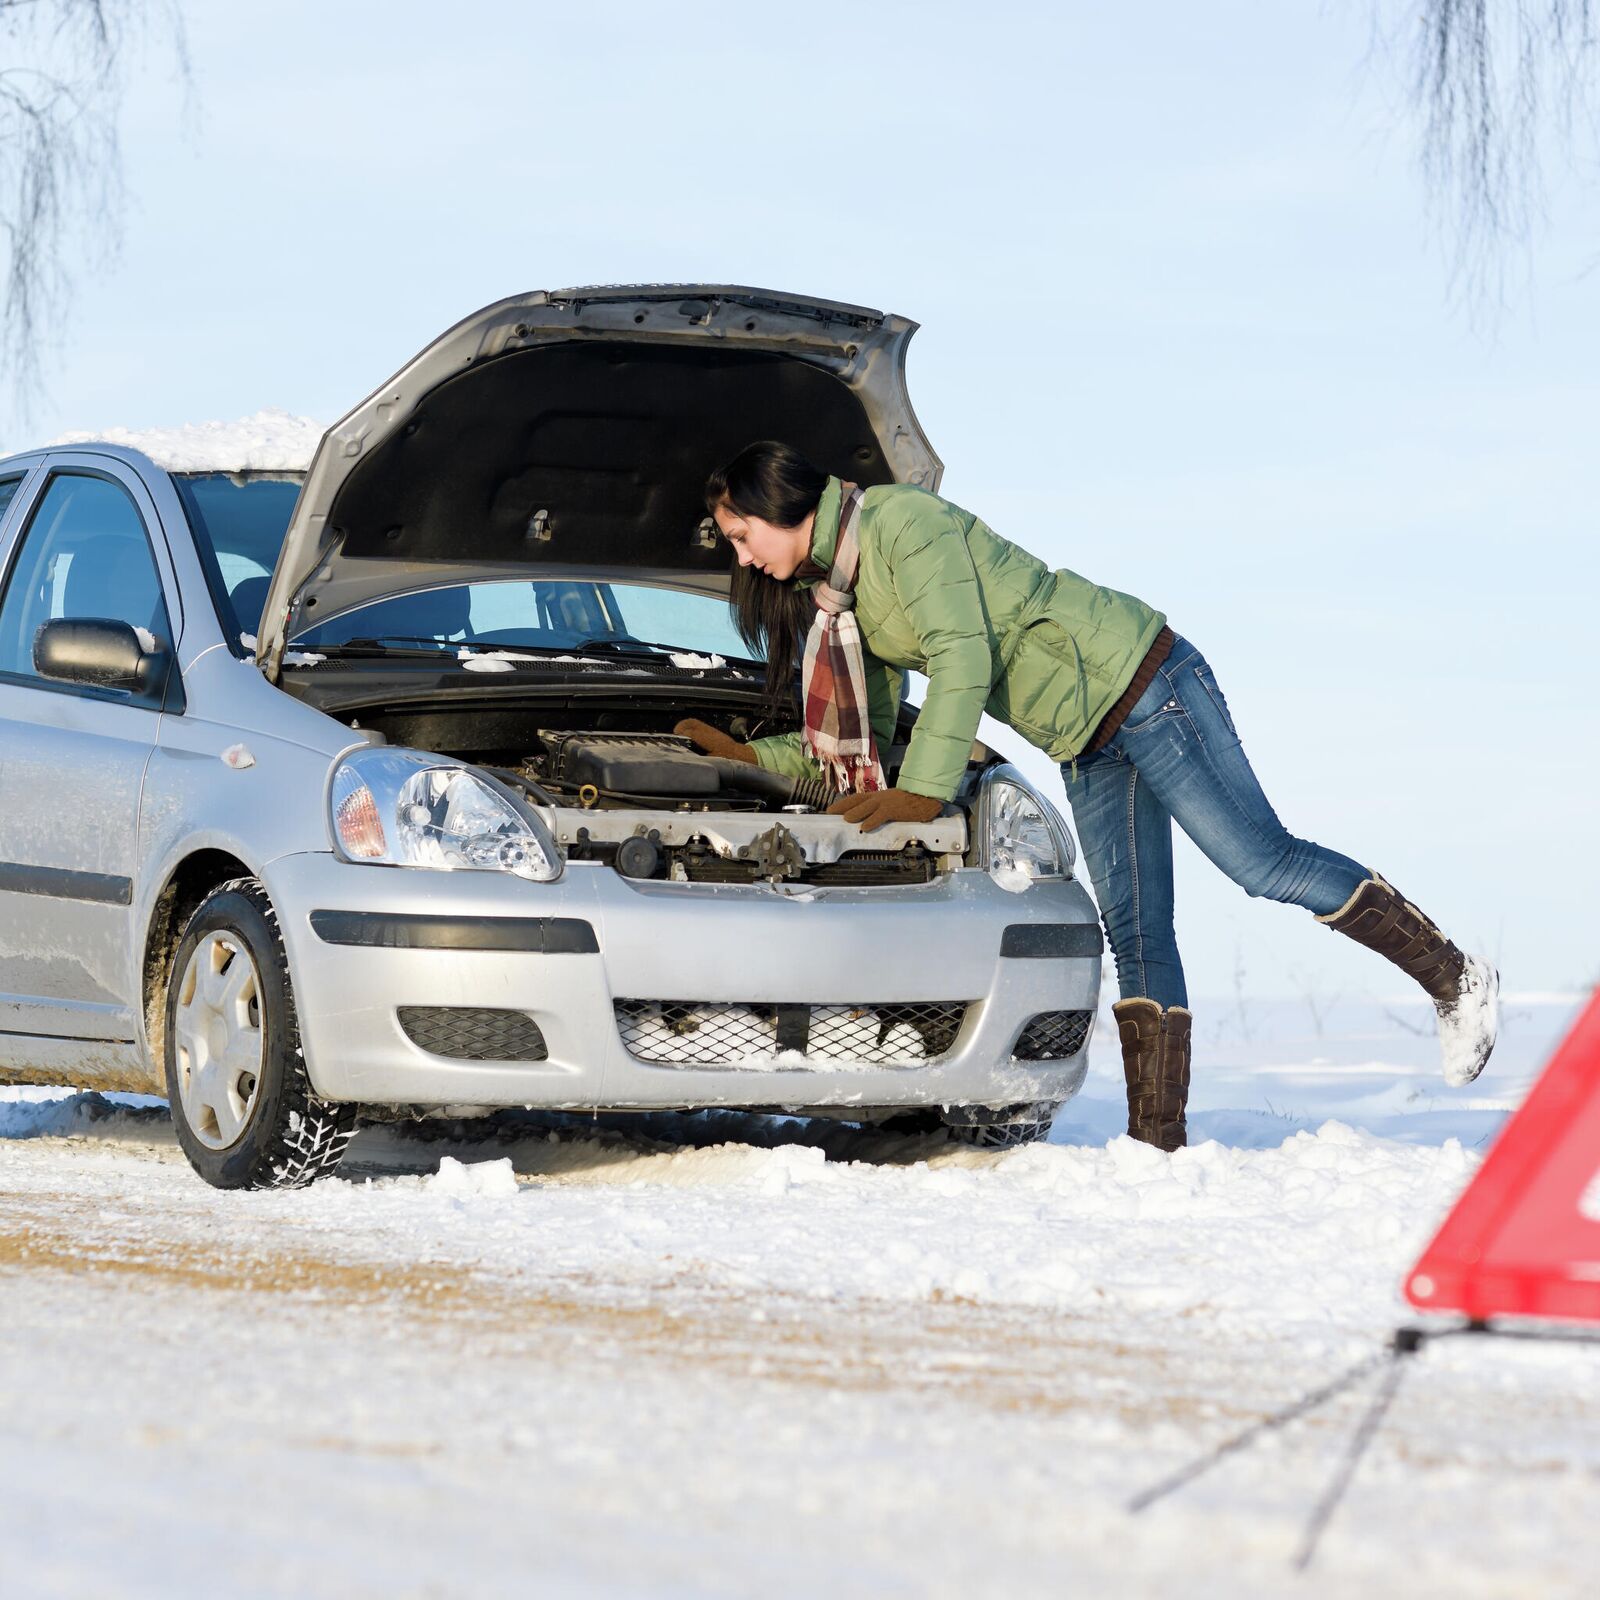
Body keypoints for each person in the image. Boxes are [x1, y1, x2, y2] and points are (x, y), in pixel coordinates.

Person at [675, 442, 1498, 1149]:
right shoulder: (844, 599)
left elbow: (963, 656)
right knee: (1136, 930)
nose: (743, 557)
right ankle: (1158, 1145)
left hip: (1144, 682)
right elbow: (871, 731)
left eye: (743, 536)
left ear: (777, 505)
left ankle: (1455, 977)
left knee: (1261, 861)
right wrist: (750, 755)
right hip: (1087, 736)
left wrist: (926, 795)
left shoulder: (900, 524)